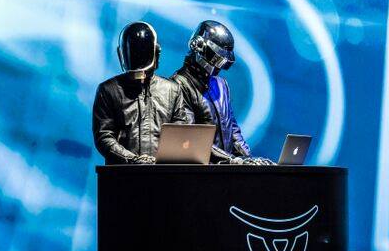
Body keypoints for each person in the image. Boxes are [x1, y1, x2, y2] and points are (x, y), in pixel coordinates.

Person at [171, 20, 272, 164]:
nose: (218, 67)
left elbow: (233, 131)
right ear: (198, 46)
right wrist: (234, 161)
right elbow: (191, 139)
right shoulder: (178, 86)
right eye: (216, 59)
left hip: (227, 168)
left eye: (223, 63)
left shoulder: (221, 85)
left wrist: (250, 160)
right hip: (201, 170)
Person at [92, 21, 188, 164]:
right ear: (156, 53)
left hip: (163, 173)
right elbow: (104, 136)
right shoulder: (108, 90)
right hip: (123, 174)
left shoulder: (172, 90)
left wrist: (158, 163)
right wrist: (133, 160)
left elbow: (180, 134)